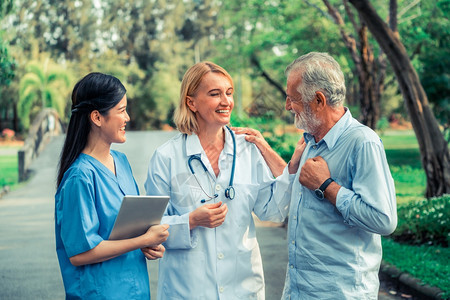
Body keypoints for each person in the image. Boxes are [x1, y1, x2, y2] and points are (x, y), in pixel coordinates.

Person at [144, 61, 303, 299]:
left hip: (243, 287)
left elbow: (272, 211)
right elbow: (152, 227)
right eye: (214, 94)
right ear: (191, 102)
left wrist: (292, 167)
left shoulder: (247, 150)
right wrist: (190, 221)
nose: (226, 101)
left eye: (229, 93)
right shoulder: (167, 157)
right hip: (188, 289)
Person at [281, 52, 397, 299]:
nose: (287, 106)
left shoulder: (363, 143)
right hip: (299, 291)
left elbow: (384, 220)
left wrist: (326, 185)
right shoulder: (310, 141)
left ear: (319, 100)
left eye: (293, 98)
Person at [55, 72, 169, 299]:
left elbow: (125, 232)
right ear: (97, 118)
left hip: (136, 290)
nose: (127, 117)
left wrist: (145, 244)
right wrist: (143, 240)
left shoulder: (122, 162)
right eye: (121, 110)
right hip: (99, 293)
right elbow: (80, 253)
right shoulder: (80, 177)